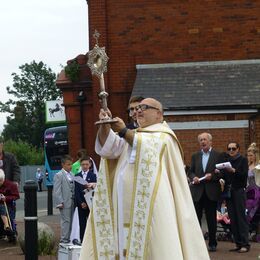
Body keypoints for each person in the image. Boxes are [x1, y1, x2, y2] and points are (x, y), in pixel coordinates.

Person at [80, 98, 209, 260]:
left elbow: (150, 148)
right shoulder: (135, 135)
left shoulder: (165, 136)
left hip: (151, 210)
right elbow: (108, 149)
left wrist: (123, 131)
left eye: (144, 107)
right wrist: (105, 126)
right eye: (135, 108)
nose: (138, 111)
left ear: (159, 114)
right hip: (122, 209)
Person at [188, 132, 221, 252]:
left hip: (211, 192)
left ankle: (212, 243)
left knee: (211, 219)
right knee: (196, 219)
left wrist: (211, 176)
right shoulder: (195, 156)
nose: (203, 142)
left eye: (205, 139)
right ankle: (197, 244)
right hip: (197, 192)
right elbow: (190, 171)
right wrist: (193, 177)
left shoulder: (218, 155)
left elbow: (221, 173)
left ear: (210, 141)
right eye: (201, 140)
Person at [223, 142, 250, 253]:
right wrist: (219, 172)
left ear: (238, 149)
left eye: (233, 148)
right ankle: (238, 243)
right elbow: (225, 176)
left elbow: (244, 175)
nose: (231, 151)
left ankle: (245, 244)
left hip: (239, 191)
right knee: (232, 218)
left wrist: (234, 171)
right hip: (229, 192)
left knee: (240, 217)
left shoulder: (243, 160)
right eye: (229, 148)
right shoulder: (227, 161)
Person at [74, 156, 97, 242]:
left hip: (90, 204)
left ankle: (91, 241)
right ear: (81, 165)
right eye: (83, 164)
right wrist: (81, 203)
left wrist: (88, 203)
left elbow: (93, 191)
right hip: (81, 204)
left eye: (86, 164)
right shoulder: (77, 176)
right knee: (82, 223)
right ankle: (82, 240)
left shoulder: (93, 176)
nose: (85, 166)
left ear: (89, 165)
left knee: (91, 223)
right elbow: (76, 191)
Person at [53, 155, 75, 243]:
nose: (70, 166)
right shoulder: (59, 175)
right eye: (68, 164)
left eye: (71, 164)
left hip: (73, 201)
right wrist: (60, 202)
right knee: (66, 221)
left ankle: (70, 237)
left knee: (72, 220)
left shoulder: (72, 174)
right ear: (63, 165)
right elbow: (57, 190)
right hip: (65, 202)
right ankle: (64, 239)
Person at [0, 169, 19, 238]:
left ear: (3, 179)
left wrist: (6, 198)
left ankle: (9, 228)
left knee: (2, 208)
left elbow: (16, 196)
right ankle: (6, 228)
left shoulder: (11, 185)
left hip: (9, 204)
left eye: (0, 181)